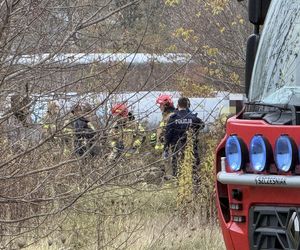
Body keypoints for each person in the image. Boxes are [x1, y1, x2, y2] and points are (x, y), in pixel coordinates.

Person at [164, 97, 204, 181]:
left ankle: (178, 180)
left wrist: (166, 146)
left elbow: (168, 133)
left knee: (177, 164)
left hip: (176, 147)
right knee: (193, 163)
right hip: (191, 146)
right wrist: (194, 132)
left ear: (178, 105)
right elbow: (202, 125)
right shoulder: (193, 118)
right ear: (187, 106)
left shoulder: (173, 118)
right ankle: (194, 180)